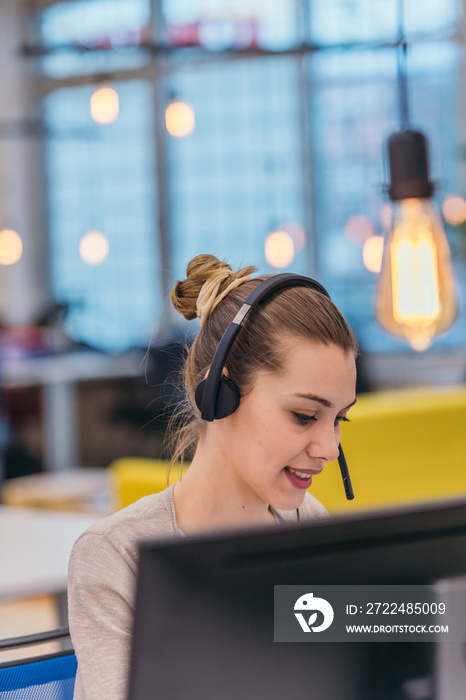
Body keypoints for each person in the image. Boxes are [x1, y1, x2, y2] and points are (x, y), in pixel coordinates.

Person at [68, 254, 358, 700]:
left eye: (339, 419)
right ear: (219, 394)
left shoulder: (309, 524)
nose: (329, 448)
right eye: (304, 416)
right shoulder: (116, 557)